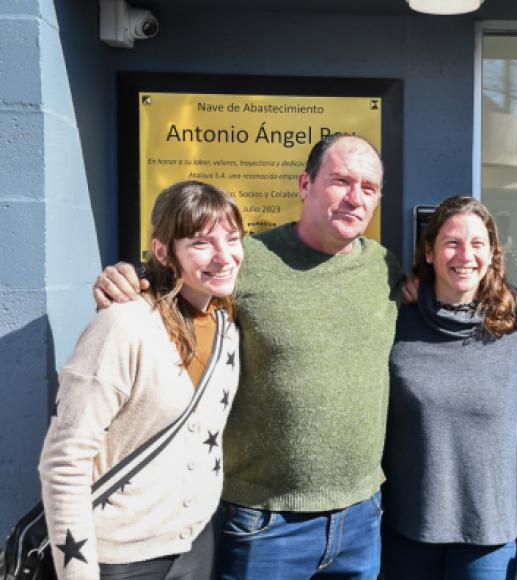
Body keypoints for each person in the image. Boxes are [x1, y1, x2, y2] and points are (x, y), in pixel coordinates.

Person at [92, 134, 403, 579]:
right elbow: (172, 285)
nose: (355, 198)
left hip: (361, 518)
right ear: (304, 184)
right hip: (265, 523)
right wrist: (122, 279)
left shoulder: (383, 266)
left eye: (368, 188)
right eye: (340, 181)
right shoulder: (247, 260)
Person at [40, 181, 244, 579]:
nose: (224, 257)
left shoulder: (226, 327)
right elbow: (65, 459)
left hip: (197, 546)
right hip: (120, 558)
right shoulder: (124, 324)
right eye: (202, 243)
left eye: (233, 239)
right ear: (165, 252)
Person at [382, 196, 517, 580]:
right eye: (451, 242)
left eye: (477, 244)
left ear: (493, 255)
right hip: (406, 526)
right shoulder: (394, 326)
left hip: (489, 534)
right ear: (429, 253)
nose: (465, 255)